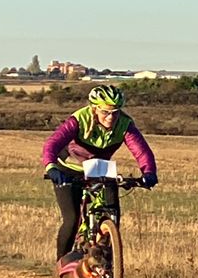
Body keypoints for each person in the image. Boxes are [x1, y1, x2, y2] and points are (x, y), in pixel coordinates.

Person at [42, 85, 158, 263]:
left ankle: (107, 266)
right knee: (72, 219)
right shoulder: (79, 119)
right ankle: (61, 266)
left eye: (115, 112)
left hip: (99, 170)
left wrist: (148, 172)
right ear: (94, 108)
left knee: (113, 214)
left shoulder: (125, 124)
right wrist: (51, 167)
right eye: (105, 112)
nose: (111, 117)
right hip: (68, 170)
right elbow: (53, 144)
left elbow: (141, 151)